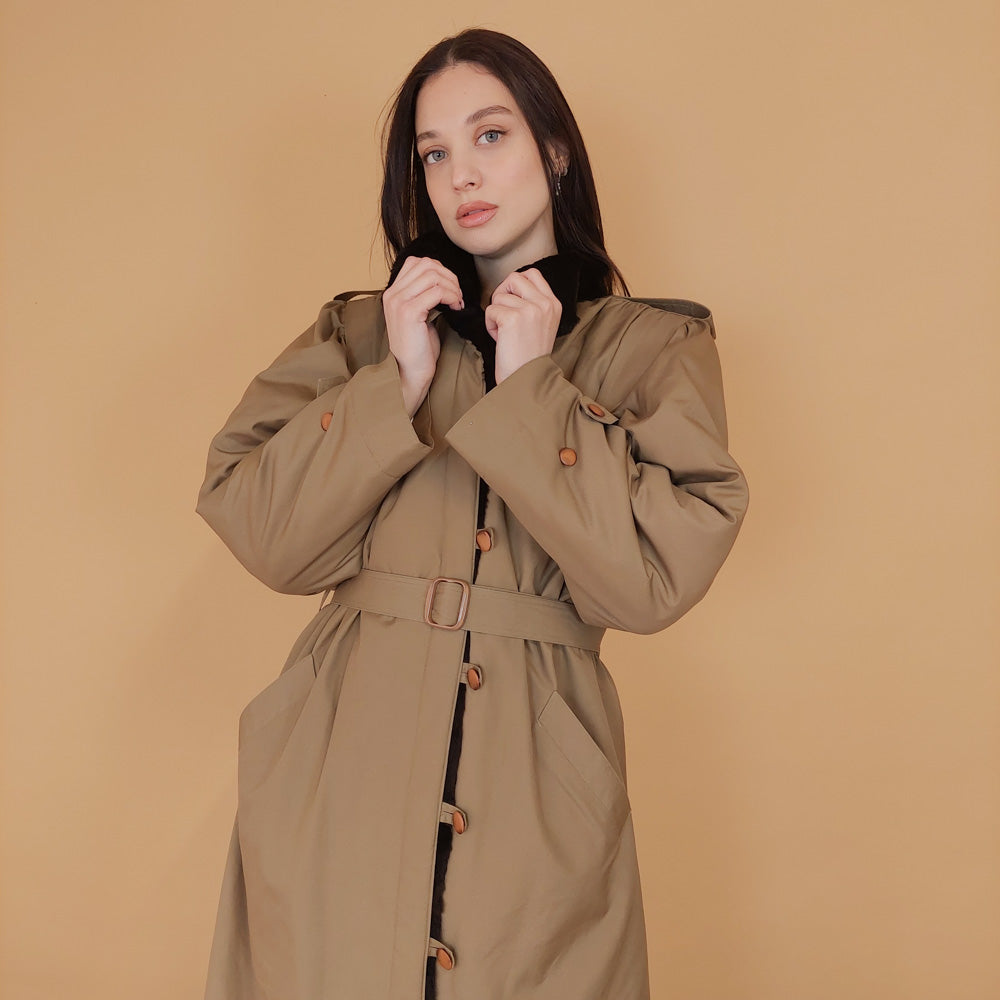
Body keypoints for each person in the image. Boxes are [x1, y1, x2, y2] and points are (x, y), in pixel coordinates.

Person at [196, 27, 748, 1000]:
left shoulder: (653, 351)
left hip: (535, 786)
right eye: (434, 152)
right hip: (339, 772)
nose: (462, 175)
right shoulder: (360, 333)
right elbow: (264, 535)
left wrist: (533, 391)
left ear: (555, 148)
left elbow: (650, 581)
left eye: (491, 135)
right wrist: (396, 384)